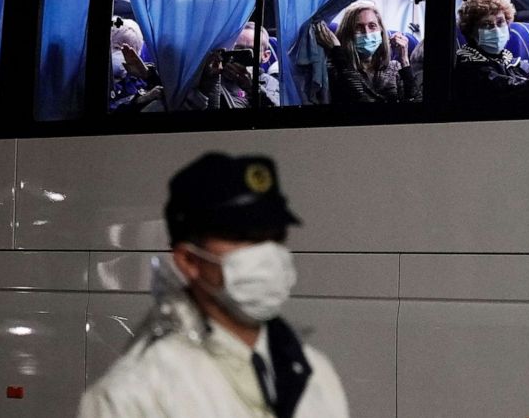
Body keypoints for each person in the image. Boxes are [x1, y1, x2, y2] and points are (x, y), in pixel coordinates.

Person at [78, 153, 349, 418]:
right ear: (188, 260)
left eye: (275, 236)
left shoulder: (316, 374)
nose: (267, 254)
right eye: (242, 237)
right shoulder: (133, 396)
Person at [313, 1, 416, 103]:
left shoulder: (394, 67)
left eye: (372, 26)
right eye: (358, 27)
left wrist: (405, 60)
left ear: (381, 30)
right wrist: (337, 50)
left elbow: (414, 101)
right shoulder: (335, 66)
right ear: (348, 33)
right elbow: (359, 97)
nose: (367, 33)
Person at [192, 23, 280, 109]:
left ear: (265, 56)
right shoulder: (216, 77)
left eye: (252, 51)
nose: (244, 56)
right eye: (238, 49)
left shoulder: (269, 82)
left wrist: (252, 88)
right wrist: (212, 80)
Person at [110, 17, 163, 113]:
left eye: (133, 50)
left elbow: (165, 92)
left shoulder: (138, 75)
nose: (122, 56)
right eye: (117, 47)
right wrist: (139, 100)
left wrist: (148, 75)